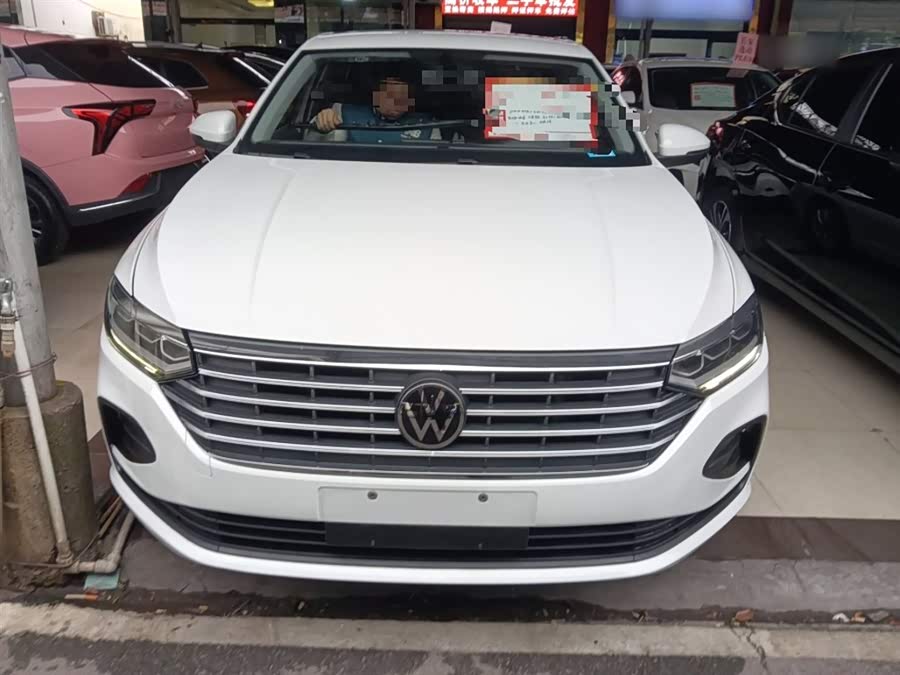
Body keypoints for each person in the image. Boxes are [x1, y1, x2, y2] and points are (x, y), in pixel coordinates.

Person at [313, 73, 441, 143]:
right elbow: (315, 145)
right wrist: (322, 125)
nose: (397, 101)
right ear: (376, 94)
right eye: (390, 94)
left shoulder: (428, 125)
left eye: (403, 95)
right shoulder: (344, 112)